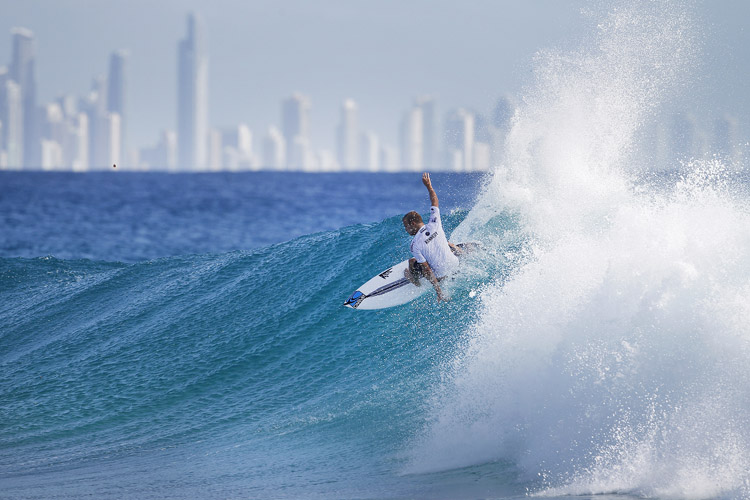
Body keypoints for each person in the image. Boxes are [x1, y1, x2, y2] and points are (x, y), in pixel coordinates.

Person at [402, 172, 462, 302]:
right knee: (448, 243)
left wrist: (439, 292)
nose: (406, 230)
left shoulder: (415, 245)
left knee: (412, 262)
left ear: (412, 224)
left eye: (406, 226)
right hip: (455, 264)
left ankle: (414, 280)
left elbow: (427, 270)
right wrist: (429, 186)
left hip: (442, 276)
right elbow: (434, 201)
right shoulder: (435, 223)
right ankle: (461, 251)